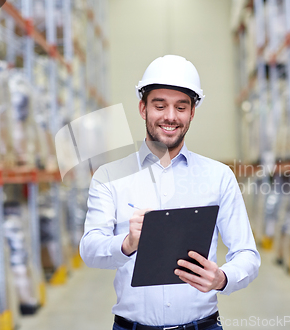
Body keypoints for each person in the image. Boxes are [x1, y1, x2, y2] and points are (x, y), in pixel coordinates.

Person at [80, 55, 261, 330]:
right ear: (143, 109)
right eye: (159, 105)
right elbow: (90, 248)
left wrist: (222, 278)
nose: (170, 116)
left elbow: (247, 254)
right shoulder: (109, 177)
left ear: (192, 112)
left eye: (181, 107)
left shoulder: (218, 176)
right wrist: (127, 243)